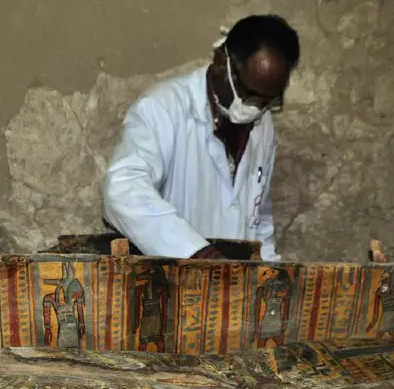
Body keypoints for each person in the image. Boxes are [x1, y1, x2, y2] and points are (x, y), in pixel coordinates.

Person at [102, 14, 299, 262]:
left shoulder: (262, 122)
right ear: (221, 63)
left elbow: (259, 218)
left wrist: (268, 271)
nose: (255, 107)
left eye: (267, 100)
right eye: (249, 94)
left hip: (234, 279)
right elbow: (122, 189)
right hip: (172, 277)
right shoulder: (163, 108)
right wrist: (196, 253)